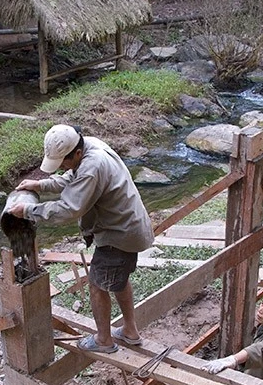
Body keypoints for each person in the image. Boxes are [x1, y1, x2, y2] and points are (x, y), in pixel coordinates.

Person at [8, 124, 154, 353]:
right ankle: (129, 331)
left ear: (76, 152)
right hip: (128, 228)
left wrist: (28, 211)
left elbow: (69, 209)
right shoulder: (89, 146)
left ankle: (104, 340)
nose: (62, 167)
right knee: (118, 278)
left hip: (119, 234)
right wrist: (40, 185)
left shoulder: (92, 166)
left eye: (63, 161)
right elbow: (71, 178)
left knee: (97, 285)